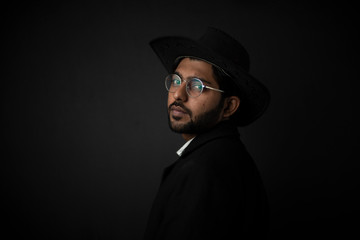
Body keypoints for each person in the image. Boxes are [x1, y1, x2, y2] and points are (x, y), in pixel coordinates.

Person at [144, 27, 270, 240]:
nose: (178, 94)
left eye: (197, 85)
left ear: (228, 107)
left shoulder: (204, 170)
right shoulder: (225, 156)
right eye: (176, 80)